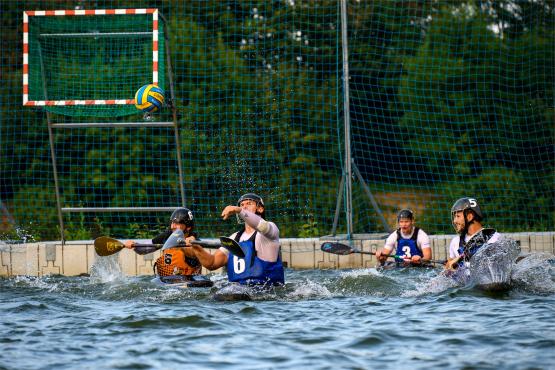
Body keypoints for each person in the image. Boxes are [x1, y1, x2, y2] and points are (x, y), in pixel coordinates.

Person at [190, 193, 285, 286]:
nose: (244, 207)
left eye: (249, 203)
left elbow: (262, 225)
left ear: (260, 208)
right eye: (242, 205)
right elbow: (212, 263)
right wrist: (196, 247)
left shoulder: (270, 230)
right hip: (239, 292)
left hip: (266, 292)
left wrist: (238, 210)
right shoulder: (234, 238)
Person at [125, 207, 202, 276]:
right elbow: (142, 250)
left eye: (177, 223)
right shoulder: (167, 235)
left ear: (188, 227)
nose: (172, 226)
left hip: (189, 281)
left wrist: (192, 244)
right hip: (168, 280)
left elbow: (207, 261)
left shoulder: (195, 241)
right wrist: (134, 245)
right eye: (172, 222)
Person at [444, 197, 501, 272]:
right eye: (454, 217)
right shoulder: (455, 241)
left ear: (469, 216)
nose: (454, 221)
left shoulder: (493, 237)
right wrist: (448, 269)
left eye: (458, 216)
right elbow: (449, 270)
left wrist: (460, 258)